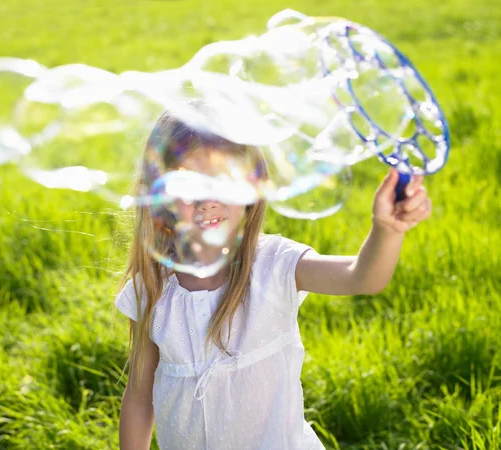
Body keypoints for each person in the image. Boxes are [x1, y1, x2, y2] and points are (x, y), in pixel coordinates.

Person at [113, 111, 432, 450]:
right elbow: (139, 394)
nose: (208, 200)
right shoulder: (152, 288)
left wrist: (386, 230)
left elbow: (361, 278)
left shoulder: (273, 265)